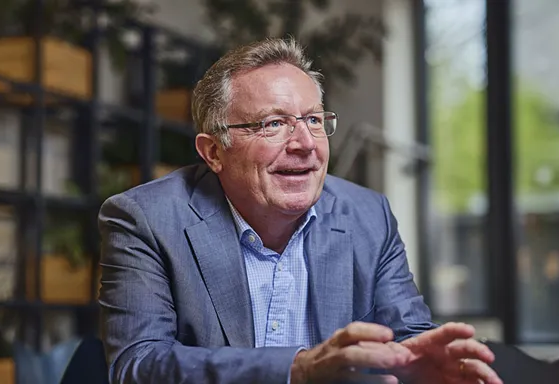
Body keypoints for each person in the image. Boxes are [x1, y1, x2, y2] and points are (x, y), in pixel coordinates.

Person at [98, 37, 502, 384]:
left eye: (313, 119)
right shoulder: (145, 219)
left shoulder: (367, 215)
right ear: (214, 152)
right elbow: (139, 365)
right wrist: (298, 369)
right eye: (274, 124)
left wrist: (424, 364)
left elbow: (407, 336)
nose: (305, 143)